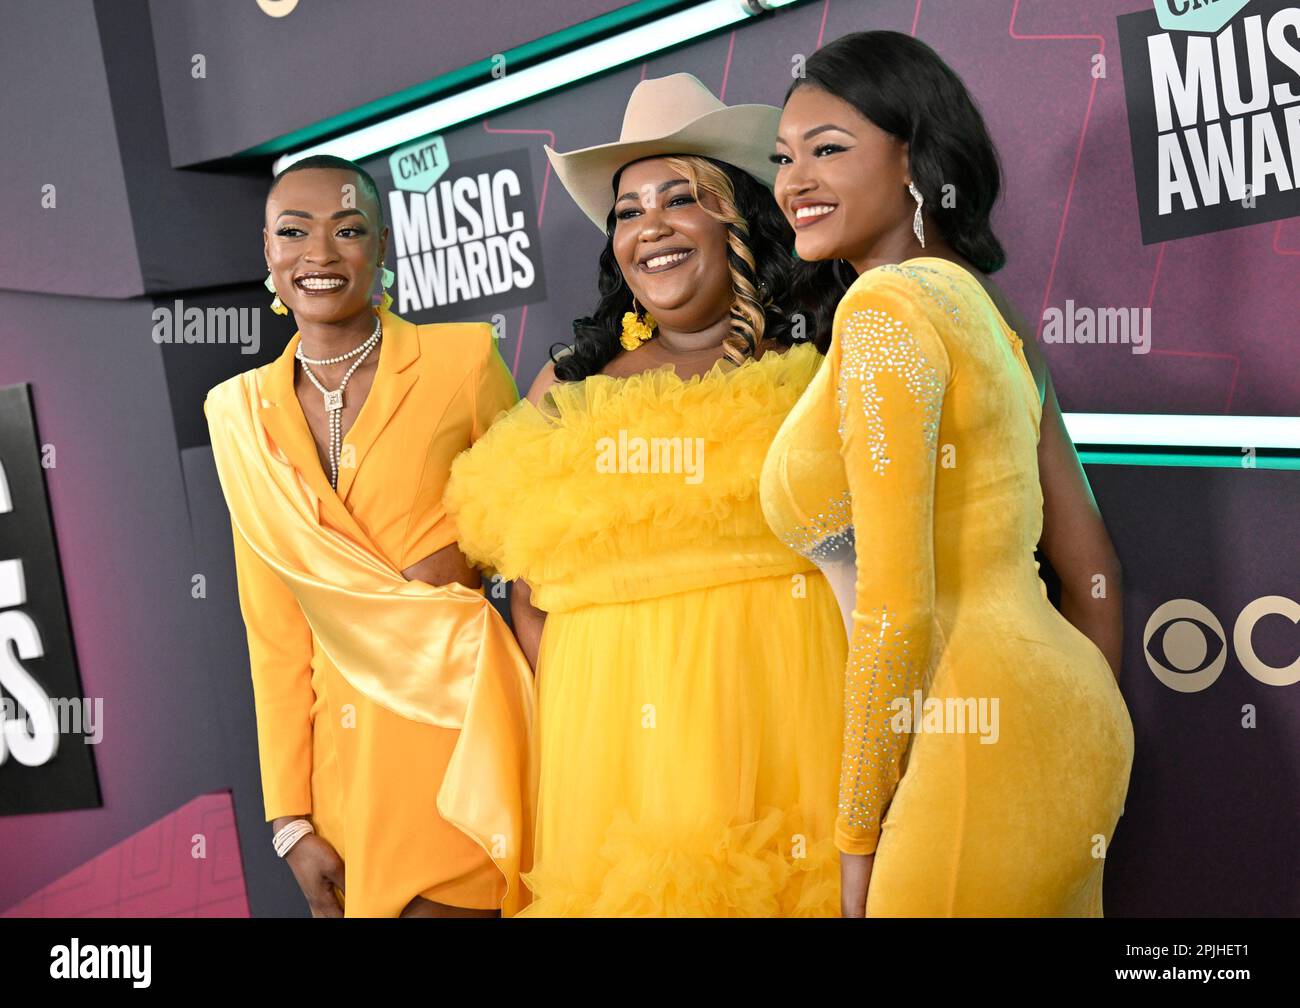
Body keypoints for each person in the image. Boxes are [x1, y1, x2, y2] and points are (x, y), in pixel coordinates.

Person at [445, 74, 845, 916]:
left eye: (680, 199)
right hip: (615, 758)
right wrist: (588, 698)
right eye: (628, 210)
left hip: (792, 726)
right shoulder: (569, 386)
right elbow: (522, 575)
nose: (650, 227)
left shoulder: (820, 363)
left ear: (737, 217)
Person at [760, 31, 1134, 916]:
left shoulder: (885, 308)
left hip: (964, 738)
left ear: (914, 160)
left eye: (829, 150)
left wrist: (856, 838)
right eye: (783, 157)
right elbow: (1095, 572)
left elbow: (895, 608)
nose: (794, 182)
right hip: (1069, 722)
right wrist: (1070, 726)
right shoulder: (990, 316)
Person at [204, 155, 534, 918]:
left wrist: (464, 559)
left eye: (347, 230)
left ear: (382, 248)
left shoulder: (463, 360)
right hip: (342, 773)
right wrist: (289, 819)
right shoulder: (238, 414)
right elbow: (274, 632)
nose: (318, 254)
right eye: (294, 232)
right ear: (267, 252)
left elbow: (529, 542)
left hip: (460, 725)